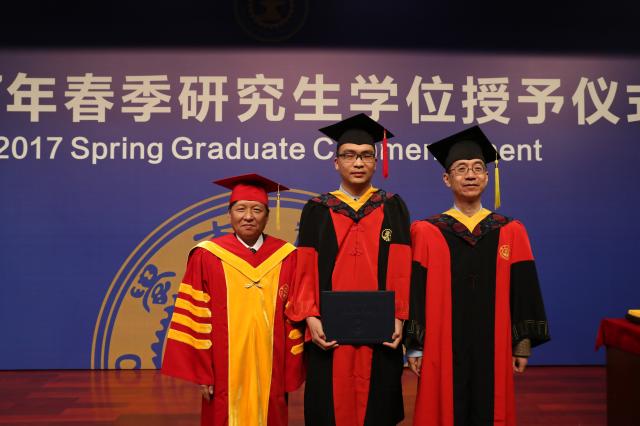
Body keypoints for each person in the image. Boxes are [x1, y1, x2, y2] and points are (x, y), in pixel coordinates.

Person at [404, 126, 550, 426]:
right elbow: (415, 292)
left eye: (477, 168)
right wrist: (416, 346)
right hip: (441, 344)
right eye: (461, 169)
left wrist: (521, 344)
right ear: (447, 179)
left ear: (486, 177)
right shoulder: (427, 232)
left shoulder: (511, 231)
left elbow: (524, 290)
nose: (470, 175)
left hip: (494, 344)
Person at [286, 113, 412, 426]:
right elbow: (305, 266)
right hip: (330, 328)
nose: (358, 162)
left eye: (366, 155)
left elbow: (401, 264)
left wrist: (398, 317)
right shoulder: (318, 209)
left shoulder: (392, 205)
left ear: (376, 162)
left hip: (381, 328)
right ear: (336, 162)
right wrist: (310, 316)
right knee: (329, 407)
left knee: (378, 407)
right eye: (349, 155)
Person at [161, 173, 305, 426]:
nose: (248, 216)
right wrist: (203, 372)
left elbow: (294, 315)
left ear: (267, 216)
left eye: (257, 210)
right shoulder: (207, 256)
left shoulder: (287, 256)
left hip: (272, 366)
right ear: (229, 214)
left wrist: (291, 368)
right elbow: (195, 318)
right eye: (240, 209)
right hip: (222, 367)